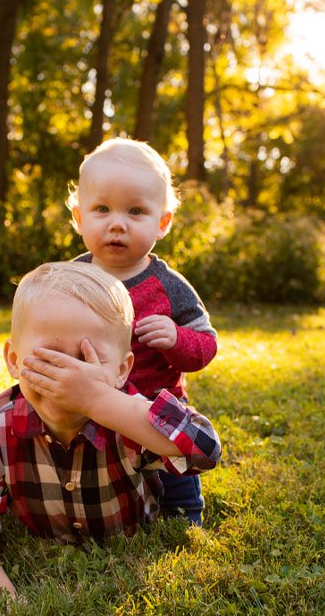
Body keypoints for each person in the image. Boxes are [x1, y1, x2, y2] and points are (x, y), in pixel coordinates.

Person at [0, 262, 221, 600]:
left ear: (122, 371)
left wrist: (102, 401)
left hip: (129, 539)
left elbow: (205, 450)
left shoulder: (126, 414)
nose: (71, 376)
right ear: (14, 360)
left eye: (87, 359)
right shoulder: (1, 421)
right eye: (50, 356)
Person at [68, 137, 217, 524]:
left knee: (172, 463)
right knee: (93, 465)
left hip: (156, 407)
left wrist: (175, 339)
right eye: (102, 209)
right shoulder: (70, 280)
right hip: (92, 403)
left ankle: (183, 511)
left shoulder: (169, 286)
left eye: (136, 211)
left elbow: (205, 345)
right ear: (79, 217)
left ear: (162, 222)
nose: (117, 223)